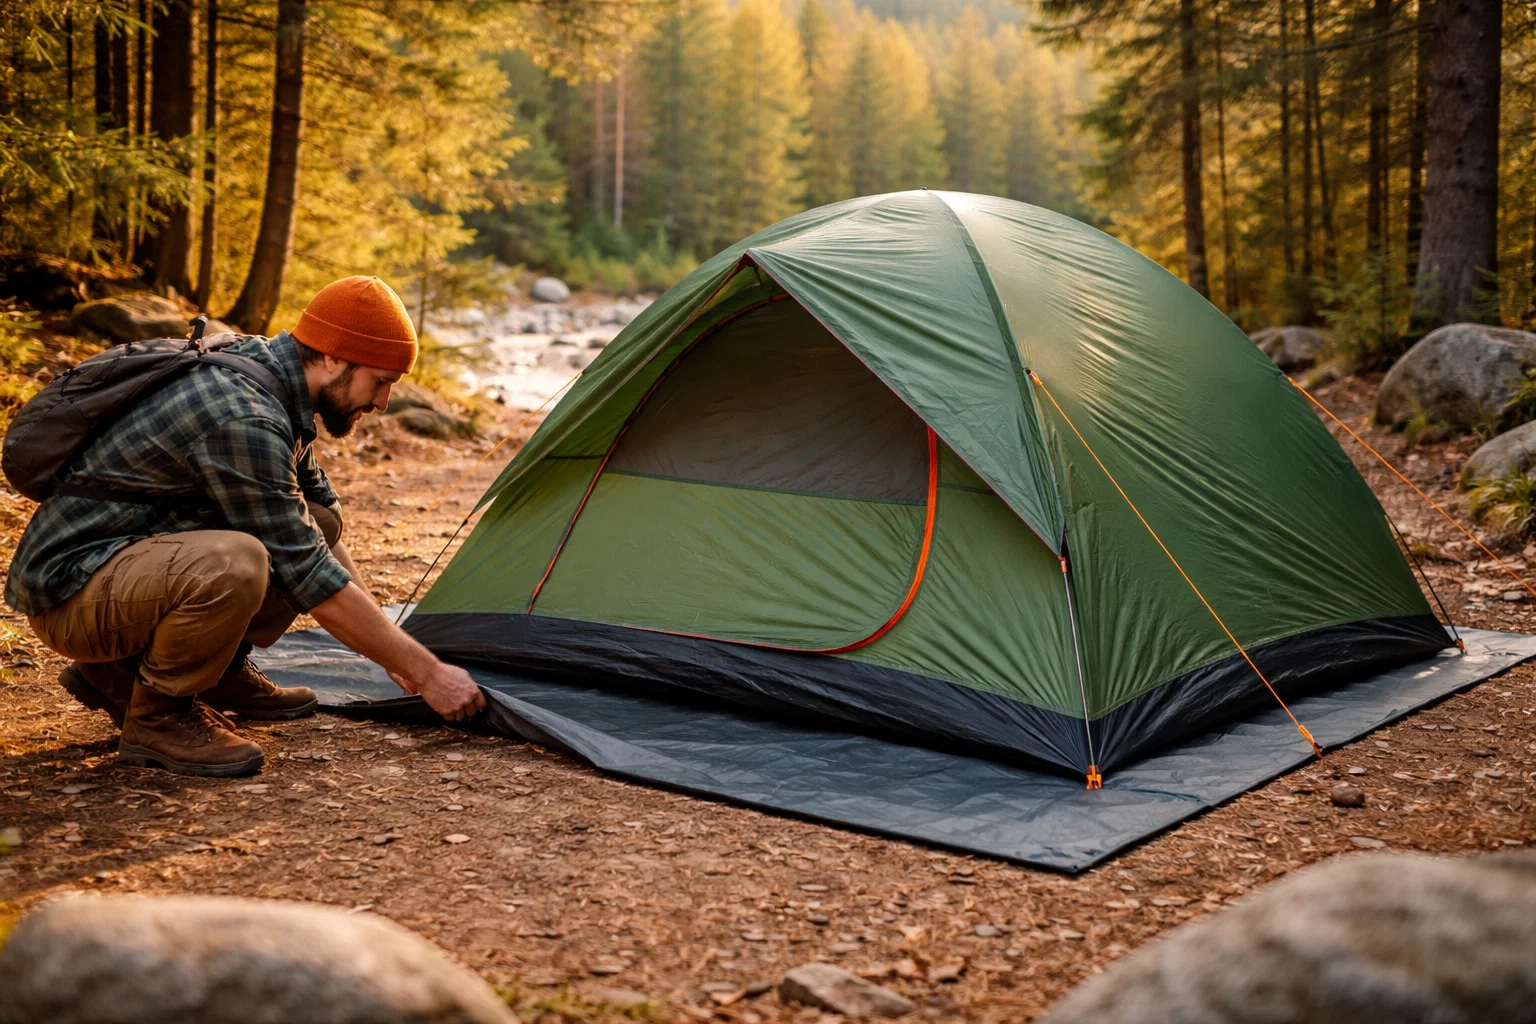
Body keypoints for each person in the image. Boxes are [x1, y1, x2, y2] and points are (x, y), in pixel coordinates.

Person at [5, 276, 485, 776]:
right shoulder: (243, 413)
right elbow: (307, 573)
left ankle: (207, 671)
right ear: (333, 358)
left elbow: (314, 531)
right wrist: (427, 673)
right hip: (71, 592)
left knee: (318, 521)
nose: (383, 402)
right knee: (236, 563)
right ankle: (158, 718)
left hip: (121, 569)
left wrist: (391, 652)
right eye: (380, 381)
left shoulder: (275, 380)